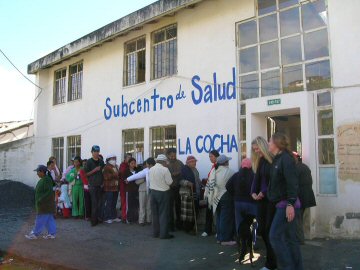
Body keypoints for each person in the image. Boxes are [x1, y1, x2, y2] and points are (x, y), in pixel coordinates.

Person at [268, 133, 303, 270]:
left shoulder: (286, 159)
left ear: (276, 143)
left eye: (270, 141)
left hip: (286, 206)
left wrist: (290, 204)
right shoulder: (278, 159)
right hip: (283, 205)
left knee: (274, 236)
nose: (268, 143)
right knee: (291, 240)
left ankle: (288, 267)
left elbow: (292, 183)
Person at [250, 136, 277, 270]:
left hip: (270, 201)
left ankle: (272, 263)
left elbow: (273, 180)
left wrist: (263, 192)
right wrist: (253, 192)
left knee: (268, 231)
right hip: (261, 201)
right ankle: (272, 261)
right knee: (262, 231)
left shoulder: (272, 161)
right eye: (254, 150)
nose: (257, 152)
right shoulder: (260, 161)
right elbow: (257, 179)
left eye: (258, 149)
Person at [206, 154, 235, 246]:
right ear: (226, 162)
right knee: (225, 218)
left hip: (215, 196)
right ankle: (225, 239)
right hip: (226, 196)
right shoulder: (230, 171)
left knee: (219, 217)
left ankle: (219, 238)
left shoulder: (214, 171)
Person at [226, 158, 256, 241]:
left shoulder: (236, 175)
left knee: (239, 223)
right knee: (252, 224)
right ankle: (252, 241)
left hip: (238, 202)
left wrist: (234, 195)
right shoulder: (254, 175)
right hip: (251, 202)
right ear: (251, 166)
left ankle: (240, 241)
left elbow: (227, 186)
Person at [25, 165, 56, 240]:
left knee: (40, 219)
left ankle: (35, 234)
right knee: (49, 220)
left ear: (42, 172)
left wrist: (40, 200)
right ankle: (52, 234)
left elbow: (49, 192)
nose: (37, 173)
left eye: (38, 172)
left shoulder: (46, 180)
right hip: (46, 204)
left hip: (44, 205)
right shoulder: (43, 179)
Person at [149, 154, 174, 239]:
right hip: (163, 193)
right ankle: (163, 234)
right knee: (163, 214)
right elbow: (170, 182)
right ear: (164, 161)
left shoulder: (151, 169)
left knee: (155, 214)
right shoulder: (165, 169)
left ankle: (155, 233)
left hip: (153, 193)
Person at [294, 152, 316, 244]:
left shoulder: (295, 168)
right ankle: (299, 238)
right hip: (307, 196)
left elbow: (295, 184)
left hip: (300, 197)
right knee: (299, 218)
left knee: (297, 219)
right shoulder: (305, 167)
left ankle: (299, 239)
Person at [126, 158, 155, 226]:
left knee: (148, 206)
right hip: (142, 190)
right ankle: (141, 221)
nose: (145, 166)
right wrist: (144, 179)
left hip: (150, 190)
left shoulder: (151, 170)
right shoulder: (142, 172)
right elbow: (136, 181)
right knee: (142, 206)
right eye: (144, 165)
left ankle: (148, 220)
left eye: (146, 165)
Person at [179, 155, 201, 233]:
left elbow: (197, 179)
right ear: (188, 163)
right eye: (193, 162)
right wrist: (187, 183)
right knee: (189, 212)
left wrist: (201, 183)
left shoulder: (195, 170)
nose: (195, 163)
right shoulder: (184, 170)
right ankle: (187, 228)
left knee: (196, 209)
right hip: (187, 193)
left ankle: (192, 226)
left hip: (196, 192)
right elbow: (180, 180)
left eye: (195, 161)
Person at [85, 145, 105, 227]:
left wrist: (103, 182)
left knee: (99, 203)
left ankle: (97, 218)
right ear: (92, 152)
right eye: (95, 151)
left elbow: (103, 172)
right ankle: (93, 221)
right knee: (94, 203)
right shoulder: (89, 162)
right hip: (92, 185)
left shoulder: (101, 161)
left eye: (98, 151)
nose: (96, 153)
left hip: (100, 185)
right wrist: (94, 170)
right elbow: (86, 174)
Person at [202, 150, 219, 237]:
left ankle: (218, 231)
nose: (210, 158)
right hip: (210, 192)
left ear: (216, 156)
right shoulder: (213, 166)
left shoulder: (219, 166)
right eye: (209, 156)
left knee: (217, 213)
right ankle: (207, 230)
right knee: (209, 212)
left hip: (216, 192)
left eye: (211, 156)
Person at [166, 148, 184, 231]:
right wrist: (177, 173)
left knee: (178, 207)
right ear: (168, 155)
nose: (173, 157)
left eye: (174, 155)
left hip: (178, 188)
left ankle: (179, 224)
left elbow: (184, 172)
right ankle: (170, 226)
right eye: (171, 155)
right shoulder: (166, 164)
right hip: (169, 188)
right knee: (169, 208)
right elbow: (169, 174)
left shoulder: (180, 162)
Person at [102, 154, 121, 224]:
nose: (114, 160)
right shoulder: (106, 167)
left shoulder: (116, 166)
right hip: (109, 188)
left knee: (114, 203)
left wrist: (117, 174)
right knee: (109, 203)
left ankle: (113, 216)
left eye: (115, 158)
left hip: (115, 187)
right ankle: (107, 217)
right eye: (112, 159)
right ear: (108, 160)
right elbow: (106, 177)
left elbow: (118, 174)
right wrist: (116, 174)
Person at [124, 158, 140, 223]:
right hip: (129, 190)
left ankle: (135, 218)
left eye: (134, 163)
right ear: (129, 164)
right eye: (132, 163)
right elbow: (124, 180)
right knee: (129, 204)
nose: (133, 165)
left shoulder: (137, 171)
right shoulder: (126, 171)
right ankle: (129, 218)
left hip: (136, 190)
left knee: (135, 205)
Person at [119, 153, 132, 223]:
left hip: (129, 187)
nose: (129, 159)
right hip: (123, 186)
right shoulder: (123, 166)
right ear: (125, 158)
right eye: (128, 157)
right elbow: (123, 174)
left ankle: (128, 215)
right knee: (124, 202)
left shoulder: (130, 165)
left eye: (130, 157)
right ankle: (124, 217)